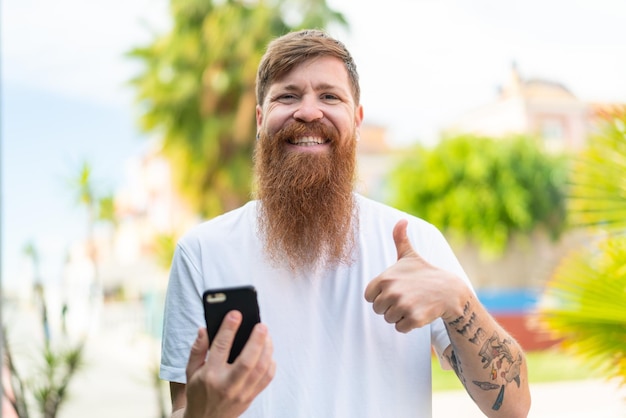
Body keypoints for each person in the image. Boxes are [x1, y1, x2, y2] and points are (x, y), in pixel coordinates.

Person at [160, 29, 531, 418]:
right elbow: (184, 404)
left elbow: (512, 408)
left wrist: (457, 299)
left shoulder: (417, 242)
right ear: (259, 118)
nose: (307, 111)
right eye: (287, 96)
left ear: (356, 120)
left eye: (329, 96)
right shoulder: (201, 251)